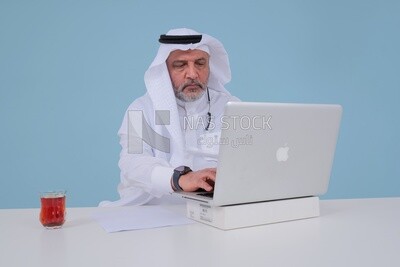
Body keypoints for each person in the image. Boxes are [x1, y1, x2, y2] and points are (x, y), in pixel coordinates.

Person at [100, 28, 239, 207]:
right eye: (180, 65)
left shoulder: (231, 107)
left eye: (200, 63)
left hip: (213, 211)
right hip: (153, 213)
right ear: (164, 70)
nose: (192, 74)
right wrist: (179, 179)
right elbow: (132, 163)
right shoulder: (139, 109)